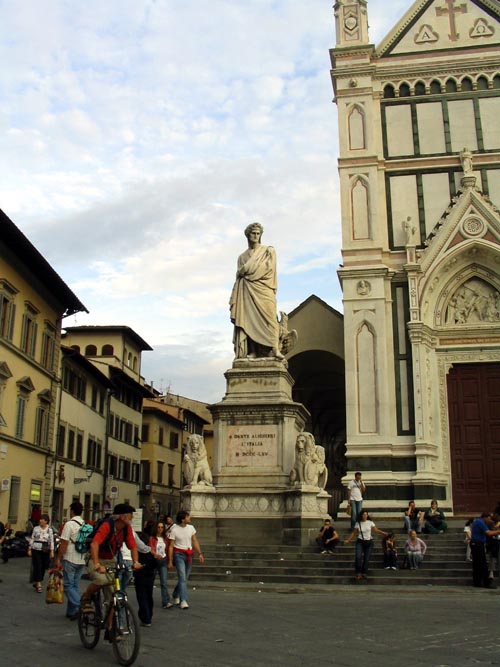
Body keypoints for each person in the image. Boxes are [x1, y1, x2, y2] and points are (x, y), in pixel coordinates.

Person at [81, 502, 142, 635]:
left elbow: (132, 546)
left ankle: (110, 628)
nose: (132, 517)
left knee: (113, 595)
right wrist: (97, 564)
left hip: (111, 560)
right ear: (122, 517)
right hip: (95, 558)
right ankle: (86, 597)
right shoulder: (107, 526)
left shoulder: (127, 529)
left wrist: (135, 562)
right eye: (130, 515)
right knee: (102, 580)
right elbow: (94, 544)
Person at [229, 222, 282, 360]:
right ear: (248, 235)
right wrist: (244, 271)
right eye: (253, 233)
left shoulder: (267, 252)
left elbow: (269, 270)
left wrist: (245, 270)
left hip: (264, 289)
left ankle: (274, 348)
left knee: (270, 318)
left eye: (258, 234)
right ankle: (253, 351)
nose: (256, 236)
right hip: (247, 291)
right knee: (248, 319)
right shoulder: (242, 257)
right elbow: (239, 277)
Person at [54, 501, 86, 620]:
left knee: (67, 585)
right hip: (82, 558)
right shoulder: (84, 523)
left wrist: (58, 558)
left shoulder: (69, 524)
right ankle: (72, 611)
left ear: (72, 511)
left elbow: (64, 542)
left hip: (70, 556)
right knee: (75, 585)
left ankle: (81, 605)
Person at [167, 510, 204, 609]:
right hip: (178, 554)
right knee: (182, 577)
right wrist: (170, 560)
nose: (189, 518)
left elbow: (194, 540)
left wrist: (199, 553)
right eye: (188, 517)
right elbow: (171, 546)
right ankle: (183, 600)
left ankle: (175, 594)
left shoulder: (191, 528)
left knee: (184, 578)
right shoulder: (174, 529)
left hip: (189, 554)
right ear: (183, 519)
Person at [344, 510, 388, 581]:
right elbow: (354, 533)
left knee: (366, 558)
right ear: (361, 515)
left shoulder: (370, 522)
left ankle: (364, 572)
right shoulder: (358, 523)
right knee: (358, 557)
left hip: (369, 542)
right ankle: (358, 572)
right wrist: (348, 540)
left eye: (366, 514)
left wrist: (383, 533)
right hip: (360, 541)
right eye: (364, 514)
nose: (365, 516)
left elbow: (375, 530)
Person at [133, 529, 157, 627]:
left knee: (142, 597)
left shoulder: (136, 553)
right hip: (149, 577)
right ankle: (148, 616)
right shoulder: (149, 552)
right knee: (148, 596)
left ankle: (145, 617)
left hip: (140, 577)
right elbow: (154, 564)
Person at [470, 512, 500, 588]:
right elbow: (489, 533)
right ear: (485, 517)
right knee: (482, 563)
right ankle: (486, 583)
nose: (490, 520)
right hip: (477, 544)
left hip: (475, 544)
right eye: (489, 518)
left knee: (477, 564)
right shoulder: (481, 522)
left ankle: (477, 582)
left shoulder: (477, 521)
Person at [27, 513, 54, 593]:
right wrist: (29, 549)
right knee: (37, 565)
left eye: (42, 519)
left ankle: (38, 579)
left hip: (45, 549)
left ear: (46, 521)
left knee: (43, 566)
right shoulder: (36, 528)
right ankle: (38, 584)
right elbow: (32, 538)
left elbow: (51, 541)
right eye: (40, 519)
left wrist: (52, 551)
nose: (40, 521)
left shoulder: (49, 530)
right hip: (36, 548)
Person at [149, 521, 173, 608]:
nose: (160, 529)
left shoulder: (165, 538)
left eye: (162, 527)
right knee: (150, 581)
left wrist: (169, 560)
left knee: (164, 582)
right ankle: (148, 600)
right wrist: (155, 554)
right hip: (154, 561)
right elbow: (150, 548)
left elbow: (169, 548)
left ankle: (166, 601)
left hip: (163, 560)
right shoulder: (152, 538)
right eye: (158, 527)